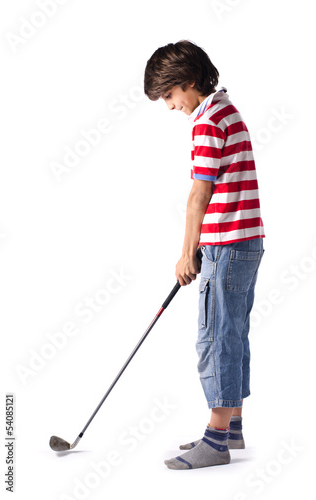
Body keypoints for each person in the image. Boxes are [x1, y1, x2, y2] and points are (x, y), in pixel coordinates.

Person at [144, 40, 265, 470]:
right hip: (245, 242)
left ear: (190, 83)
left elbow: (199, 194)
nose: (169, 105)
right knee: (232, 331)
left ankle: (215, 442)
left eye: (170, 94)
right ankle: (231, 425)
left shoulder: (208, 120)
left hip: (227, 244)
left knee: (214, 336)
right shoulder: (227, 111)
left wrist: (185, 254)